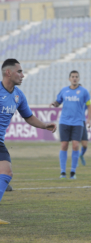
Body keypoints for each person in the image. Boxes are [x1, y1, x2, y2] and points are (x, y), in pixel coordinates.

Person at [0, 59, 57, 224]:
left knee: (6, 171)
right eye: (19, 71)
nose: (23, 75)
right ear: (8, 72)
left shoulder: (18, 95)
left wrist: (44, 125)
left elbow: (28, 116)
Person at [50, 70, 91, 180]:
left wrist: (89, 119)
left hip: (78, 122)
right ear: (69, 78)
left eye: (76, 77)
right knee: (64, 145)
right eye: (72, 76)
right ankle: (62, 172)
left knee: (75, 145)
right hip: (64, 122)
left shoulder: (84, 92)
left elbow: (89, 106)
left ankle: (73, 172)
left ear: (79, 79)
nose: (74, 78)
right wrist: (55, 104)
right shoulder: (64, 90)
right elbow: (58, 101)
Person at [79, 97, 91, 166]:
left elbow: (90, 108)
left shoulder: (84, 101)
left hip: (83, 122)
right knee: (75, 143)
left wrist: (89, 119)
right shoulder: (72, 101)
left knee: (85, 145)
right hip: (74, 122)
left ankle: (81, 155)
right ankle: (75, 161)